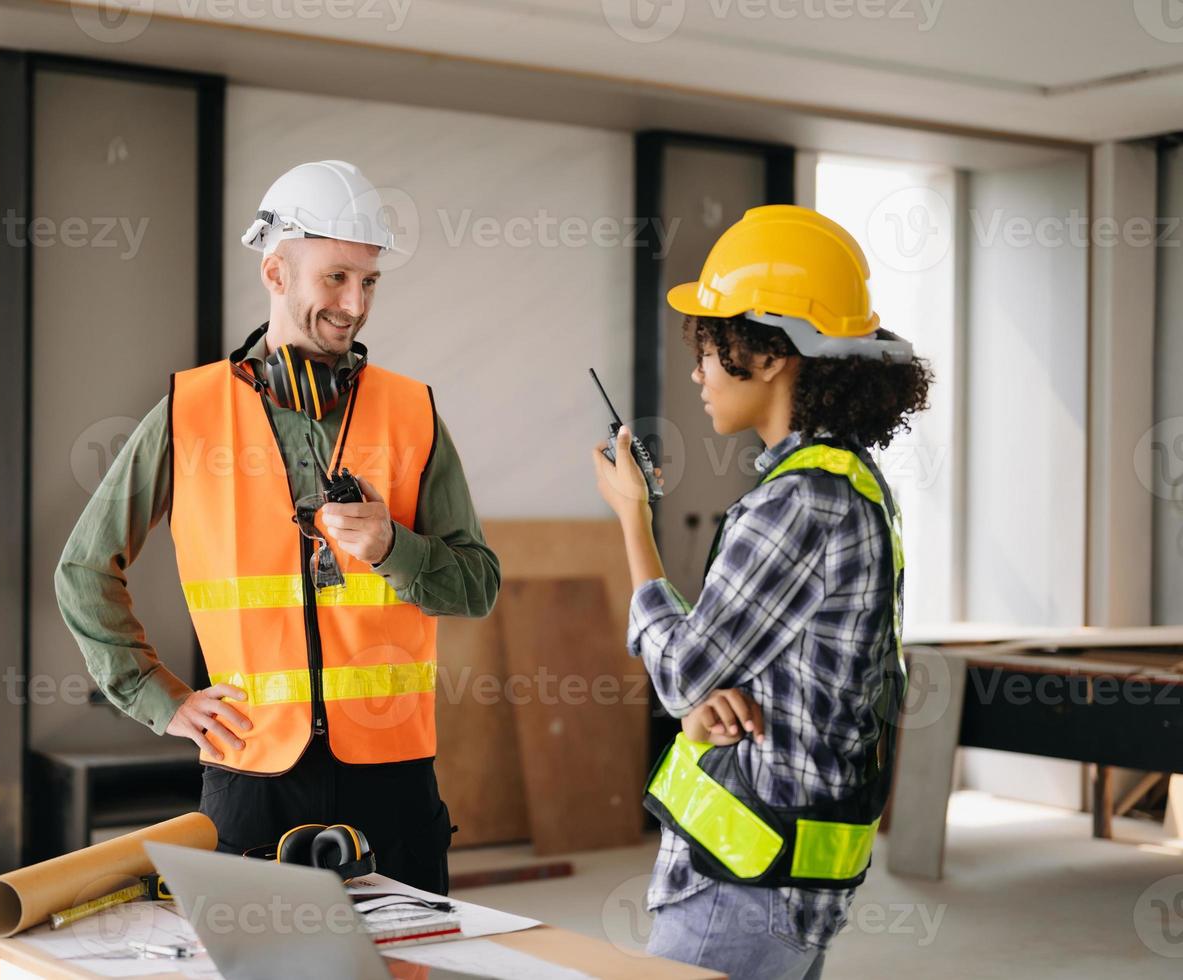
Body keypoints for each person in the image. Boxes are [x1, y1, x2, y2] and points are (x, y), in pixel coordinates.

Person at [56, 160, 499, 892]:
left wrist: (394, 548)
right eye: (334, 277)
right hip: (250, 776)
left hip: (392, 775)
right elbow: (82, 569)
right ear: (275, 272)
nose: (354, 303)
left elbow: (476, 587)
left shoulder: (412, 412)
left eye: (369, 281)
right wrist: (158, 697)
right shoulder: (189, 413)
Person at [591, 205, 933, 979]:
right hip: (783, 871)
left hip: (740, 882)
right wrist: (714, 687)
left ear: (770, 350)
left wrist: (631, 520)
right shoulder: (850, 482)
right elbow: (729, 668)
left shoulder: (799, 502)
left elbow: (680, 672)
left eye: (709, 347)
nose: (697, 371)